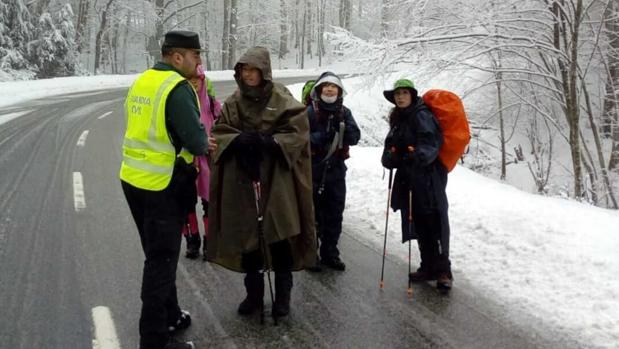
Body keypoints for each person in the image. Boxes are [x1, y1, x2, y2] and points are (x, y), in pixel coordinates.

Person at [120, 30, 215, 349]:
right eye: (195, 55)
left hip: (133, 179)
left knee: (157, 254)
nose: (199, 60)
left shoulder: (142, 81)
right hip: (162, 184)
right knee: (160, 262)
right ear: (177, 57)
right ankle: (154, 339)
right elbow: (197, 140)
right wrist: (201, 140)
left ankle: (171, 314)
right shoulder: (177, 87)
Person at [206, 46, 316, 319]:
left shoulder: (281, 97)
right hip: (245, 179)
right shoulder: (234, 101)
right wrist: (239, 142)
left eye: (253, 70)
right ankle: (254, 295)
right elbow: (220, 131)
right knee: (250, 238)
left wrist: (270, 143)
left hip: (277, 179)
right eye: (244, 70)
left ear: (264, 71)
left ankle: (283, 298)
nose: (248, 75)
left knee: (279, 236)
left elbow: (298, 130)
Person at [380, 79, 453, 291]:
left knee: (434, 221)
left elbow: (431, 142)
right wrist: (390, 158)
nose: (400, 97)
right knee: (419, 221)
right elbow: (389, 147)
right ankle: (428, 266)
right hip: (409, 178)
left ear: (412, 95)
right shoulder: (399, 119)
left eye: (404, 93)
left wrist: (415, 157)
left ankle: (443, 272)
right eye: (397, 94)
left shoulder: (421, 115)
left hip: (428, 179)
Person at [306, 71, 360, 271]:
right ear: (319, 90)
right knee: (313, 214)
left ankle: (330, 253)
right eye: (325, 86)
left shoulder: (344, 113)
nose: (329, 89)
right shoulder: (310, 112)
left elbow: (355, 137)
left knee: (334, 214)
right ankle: (311, 254)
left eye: (333, 86)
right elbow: (300, 139)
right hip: (313, 170)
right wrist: (322, 137)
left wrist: (343, 131)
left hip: (336, 172)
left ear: (339, 90)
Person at [183, 64, 221, 260]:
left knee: (209, 202)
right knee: (186, 203)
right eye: (190, 80)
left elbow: (221, 121)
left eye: (197, 79)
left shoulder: (210, 100)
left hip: (208, 158)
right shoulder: (180, 101)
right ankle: (192, 240)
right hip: (187, 160)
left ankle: (209, 242)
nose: (195, 83)